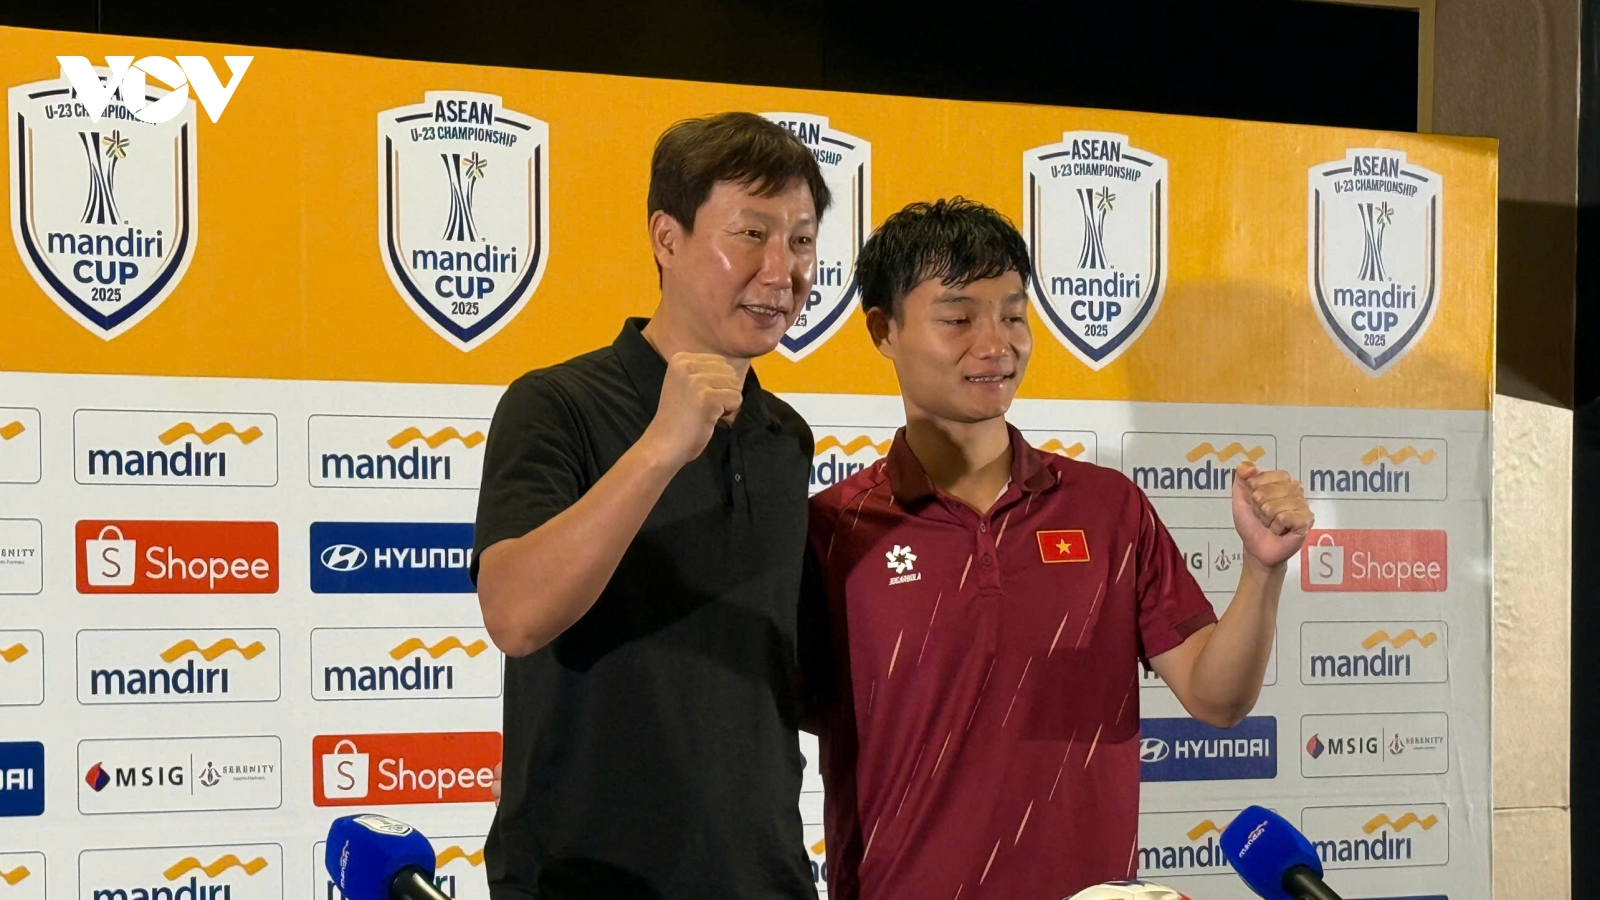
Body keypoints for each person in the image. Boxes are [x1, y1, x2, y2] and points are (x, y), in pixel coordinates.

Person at [799, 198, 1313, 900]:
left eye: (1013, 316)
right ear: (883, 331)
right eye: (958, 319)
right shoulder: (832, 529)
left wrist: (1262, 570)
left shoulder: (1107, 509)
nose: (996, 345)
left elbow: (1216, 699)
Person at [472, 112, 830, 900]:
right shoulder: (554, 405)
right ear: (667, 239)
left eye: (802, 240)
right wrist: (662, 445)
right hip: (583, 882)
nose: (782, 271)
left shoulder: (786, 438)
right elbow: (516, 615)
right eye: (752, 234)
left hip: (763, 880)